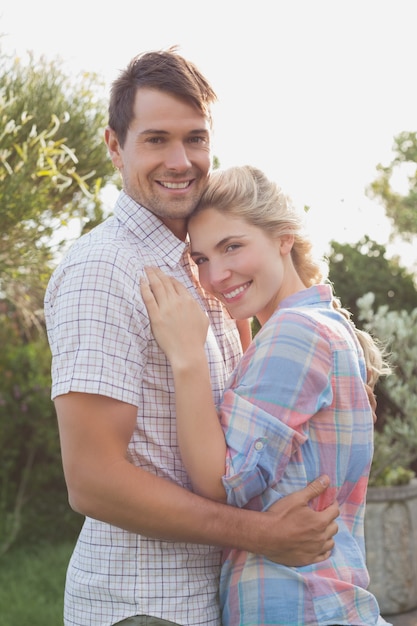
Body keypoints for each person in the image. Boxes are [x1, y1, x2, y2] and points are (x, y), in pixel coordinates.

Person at [44, 48, 339, 626]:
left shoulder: (204, 269)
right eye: (156, 139)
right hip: (145, 607)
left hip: (211, 600)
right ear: (114, 146)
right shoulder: (102, 270)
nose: (181, 161)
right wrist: (261, 534)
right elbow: (93, 481)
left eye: (195, 139)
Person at [140, 165, 392, 626]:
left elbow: (221, 484)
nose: (216, 275)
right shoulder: (321, 327)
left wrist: (187, 358)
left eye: (232, 246)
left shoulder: (295, 333)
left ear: (283, 238)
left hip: (298, 606)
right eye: (200, 260)